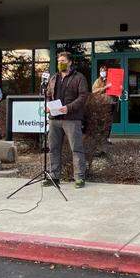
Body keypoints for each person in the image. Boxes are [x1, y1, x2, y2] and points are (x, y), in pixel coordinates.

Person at [45, 51, 89, 187]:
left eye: (63, 61)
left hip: (72, 119)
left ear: (70, 62)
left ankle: (79, 178)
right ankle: (54, 176)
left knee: (76, 149)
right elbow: (47, 94)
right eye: (59, 61)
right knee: (53, 148)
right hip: (54, 119)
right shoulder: (53, 78)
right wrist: (47, 105)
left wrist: (69, 107)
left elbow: (83, 96)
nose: (60, 63)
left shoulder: (79, 77)